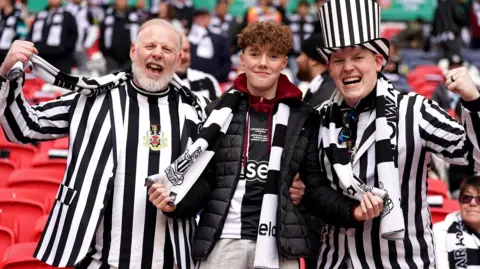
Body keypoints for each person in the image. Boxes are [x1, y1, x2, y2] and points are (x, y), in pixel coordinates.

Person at [148, 20, 383, 269]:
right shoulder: (217, 111)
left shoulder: (304, 117)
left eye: (273, 56)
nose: (262, 63)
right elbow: (206, 181)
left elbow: (314, 186)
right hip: (223, 240)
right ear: (242, 59)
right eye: (254, 54)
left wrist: (351, 212)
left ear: (283, 62)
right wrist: (175, 203)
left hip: (280, 243)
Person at [0, 19, 209, 269]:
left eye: (167, 50)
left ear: (178, 60)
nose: (157, 54)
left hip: (172, 262)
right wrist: (7, 73)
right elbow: (23, 128)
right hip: (101, 261)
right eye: (150, 45)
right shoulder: (94, 98)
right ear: (133, 51)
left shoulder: (198, 112)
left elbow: (210, 182)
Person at [314, 0, 480, 268]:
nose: (348, 67)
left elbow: (475, 159)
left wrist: (473, 102)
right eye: (338, 60)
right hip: (336, 261)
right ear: (330, 68)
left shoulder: (415, 110)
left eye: (358, 57)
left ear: (378, 61)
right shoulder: (318, 117)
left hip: (402, 262)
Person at [433, 175, 480, 268]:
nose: (472, 203)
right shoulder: (439, 232)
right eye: (467, 198)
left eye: (479, 199)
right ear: (459, 201)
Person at [27, 0, 78, 73]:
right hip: (41, 60)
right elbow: (30, 35)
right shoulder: (39, 15)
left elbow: (73, 37)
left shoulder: (67, 16)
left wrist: (62, 50)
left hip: (60, 61)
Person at [188, 9, 231, 83]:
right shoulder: (189, 38)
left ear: (209, 19)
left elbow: (226, 60)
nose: (201, 20)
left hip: (215, 79)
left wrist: (220, 77)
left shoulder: (219, 38)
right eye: (199, 17)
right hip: (192, 78)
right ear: (195, 19)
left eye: (204, 17)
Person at [176, 32, 222, 101]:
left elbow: (219, 110)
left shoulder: (208, 81)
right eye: (177, 51)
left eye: (186, 50)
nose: (182, 56)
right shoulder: (157, 84)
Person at [99, 0, 140, 73]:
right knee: (112, 81)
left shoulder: (133, 17)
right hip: (111, 57)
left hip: (129, 58)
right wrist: (105, 53)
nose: (122, 2)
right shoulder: (109, 16)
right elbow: (102, 36)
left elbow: (138, 35)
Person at [296, 33, 335, 109]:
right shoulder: (321, 88)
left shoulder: (326, 92)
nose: (297, 60)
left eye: (301, 54)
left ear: (313, 60)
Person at [65, 0, 99, 73]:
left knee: (84, 74)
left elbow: (95, 28)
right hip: (66, 49)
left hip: (81, 49)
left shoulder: (89, 10)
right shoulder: (66, 9)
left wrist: (87, 45)